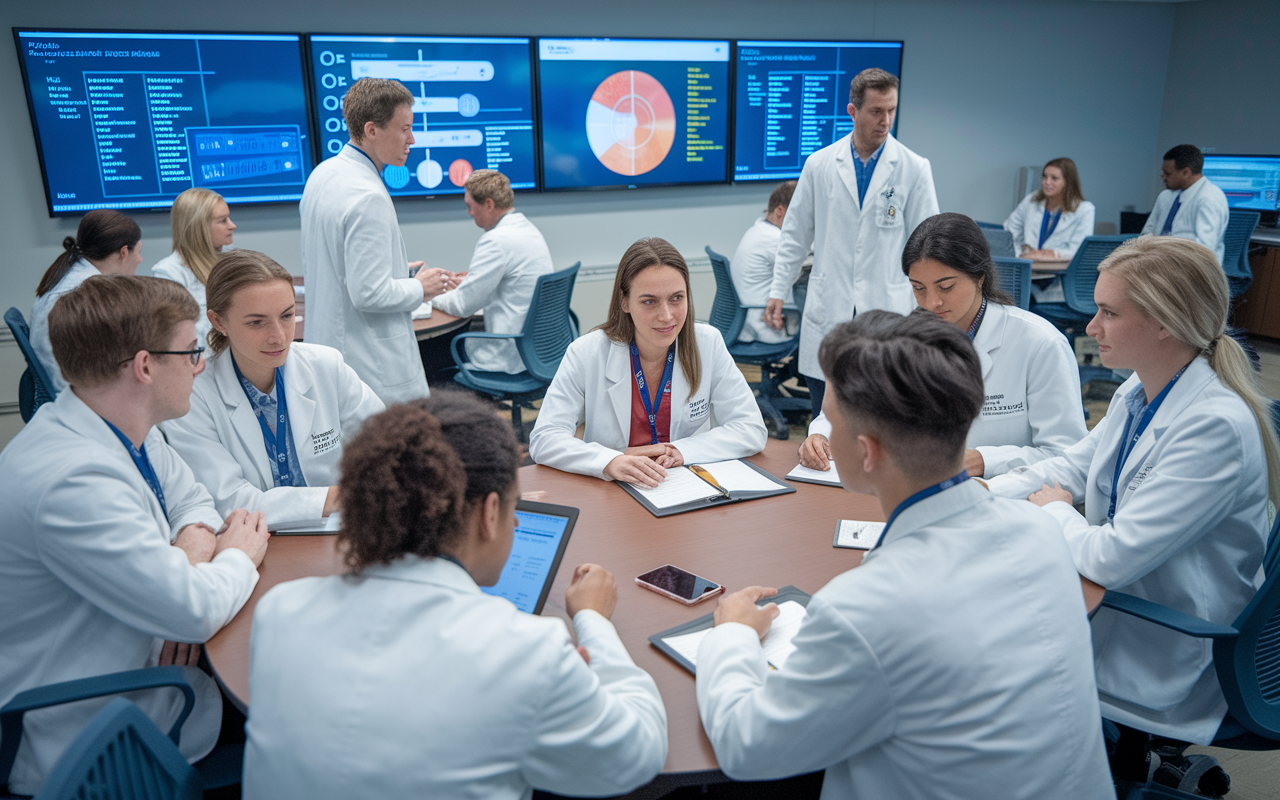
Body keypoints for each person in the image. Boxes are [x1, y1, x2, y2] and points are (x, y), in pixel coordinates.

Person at [695, 310, 1112, 798]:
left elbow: (747, 748)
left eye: (831, 421)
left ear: (867, 452)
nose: (823, 432)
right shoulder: (1040, 533)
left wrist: (732, 636)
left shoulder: (865, 606)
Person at [241, 391, 667, 799]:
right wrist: (593, 620)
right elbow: (639, 752)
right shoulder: (523, 652)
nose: (516, 525)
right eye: (515, 508)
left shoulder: (281, 612)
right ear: (490, 513)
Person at [986, 237, 1278, 773]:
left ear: (1164, 322)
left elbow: (1110, 558)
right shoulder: (1141, 390)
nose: (1091, 327)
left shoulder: (1213, 425)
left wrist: (1054, 510)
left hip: (1171, 645)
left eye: (1109, 312)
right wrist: (985, 491)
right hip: (1129, 602)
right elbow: (1072, 467)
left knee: (989, 669)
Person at [0, 275, 270, 796]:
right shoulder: (71, 480)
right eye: (192, 352)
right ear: (146, 366)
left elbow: (194, 503)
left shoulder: (119, 425)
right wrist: (237, 552)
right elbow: (192, 609)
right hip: (92, 734)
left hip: (146, 663)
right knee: (297, 716)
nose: (200, 365)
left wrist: (181, 570)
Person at [801, 213, 1087, 479]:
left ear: (980, 276)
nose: (931, 303)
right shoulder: (909, 336)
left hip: (1011, 501)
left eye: (946, 287)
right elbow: (852, 405)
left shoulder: (1040, 345)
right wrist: (822, 436)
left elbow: (1067, 459)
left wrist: (986, 461)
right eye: (918, 288)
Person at [162, 250, 384, 526]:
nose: (279, 337)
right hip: (254, 542)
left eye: (287, 316)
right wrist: (343, 497)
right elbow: (230, 502)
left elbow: (389, 441)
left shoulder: (326, 366)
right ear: (219, 321)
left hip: (341, 532)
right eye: (257, 322)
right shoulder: (194, 395)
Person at [764, 68, 939, 417]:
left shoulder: (913, 168)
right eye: (876, 111)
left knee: (883, 415)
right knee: (825, 416)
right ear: (852, 111)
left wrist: (928, 304)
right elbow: (796, 235)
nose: (885, 120)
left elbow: (928, 242)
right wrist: (778, 290)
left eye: (891, 110)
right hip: (831, 305)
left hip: (886, 307)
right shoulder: (820, 165)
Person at [528, 238, 767, 486]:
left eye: (676, 298)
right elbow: (545, 438)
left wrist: (680, 451)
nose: (666, 316)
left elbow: (751, 429)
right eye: (649, 302)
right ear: (625, 302)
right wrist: (610, 461)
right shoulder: (587, 353)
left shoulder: (707, 344)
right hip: (613, 489)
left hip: (681, 485)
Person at [300, 78, 459, 403]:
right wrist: (421, 288)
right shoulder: (367, 196)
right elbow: (368, 293)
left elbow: (341, 265)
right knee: (393, 449)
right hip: (369, 367)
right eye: (404, 129)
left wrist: (396, 268)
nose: (412, 139)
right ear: (371, 130)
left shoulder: (323, 175)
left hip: (330, 353)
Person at [430, 169, 554, 373]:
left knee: (432, 353)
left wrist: (426, 293)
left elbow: (462, 306)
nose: (469, 213)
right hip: (536, 348)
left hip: (509, 353)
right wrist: (471, 283)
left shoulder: (496, 241)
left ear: (488, 204)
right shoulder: (526, 229)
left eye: (470, 206)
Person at [30, 209, 142, 393]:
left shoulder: (71, 273)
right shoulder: (85, 293)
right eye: (138, 251)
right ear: (123, 252)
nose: (140, 259)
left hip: (62, 387)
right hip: (74, 392)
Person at [151, 187, 237, 346]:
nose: (232, 226)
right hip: (202, 364)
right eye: (223, 220)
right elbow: (178, 335)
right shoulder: (169, 273)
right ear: (199, 227)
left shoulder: (231, 259)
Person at [729, 181, 798, 344]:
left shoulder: (758, 230)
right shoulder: (773, 239)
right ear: (780, 210)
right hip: (763, 324)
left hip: (746, 318)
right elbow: (801, 262)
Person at [1140, 144, 1229, 265]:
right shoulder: (1166, 196)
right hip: (1158, 264)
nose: (1163, 178)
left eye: (1168, 173)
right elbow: (1147, 233)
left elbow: (1205, 251)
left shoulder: (1210, 198)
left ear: (1186, 172)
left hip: (1190, 270)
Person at [1003, 157, 1096, 262]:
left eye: (1054, 178)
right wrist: (1022, 251)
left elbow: (1078, 250)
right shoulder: (1031, 200)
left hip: (1059, 271)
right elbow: (1009, 232)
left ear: (1067, 182)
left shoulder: (1085, 209)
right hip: (1028, 266)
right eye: (1044, 177)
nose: (1047, 182)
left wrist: (1047, 254)